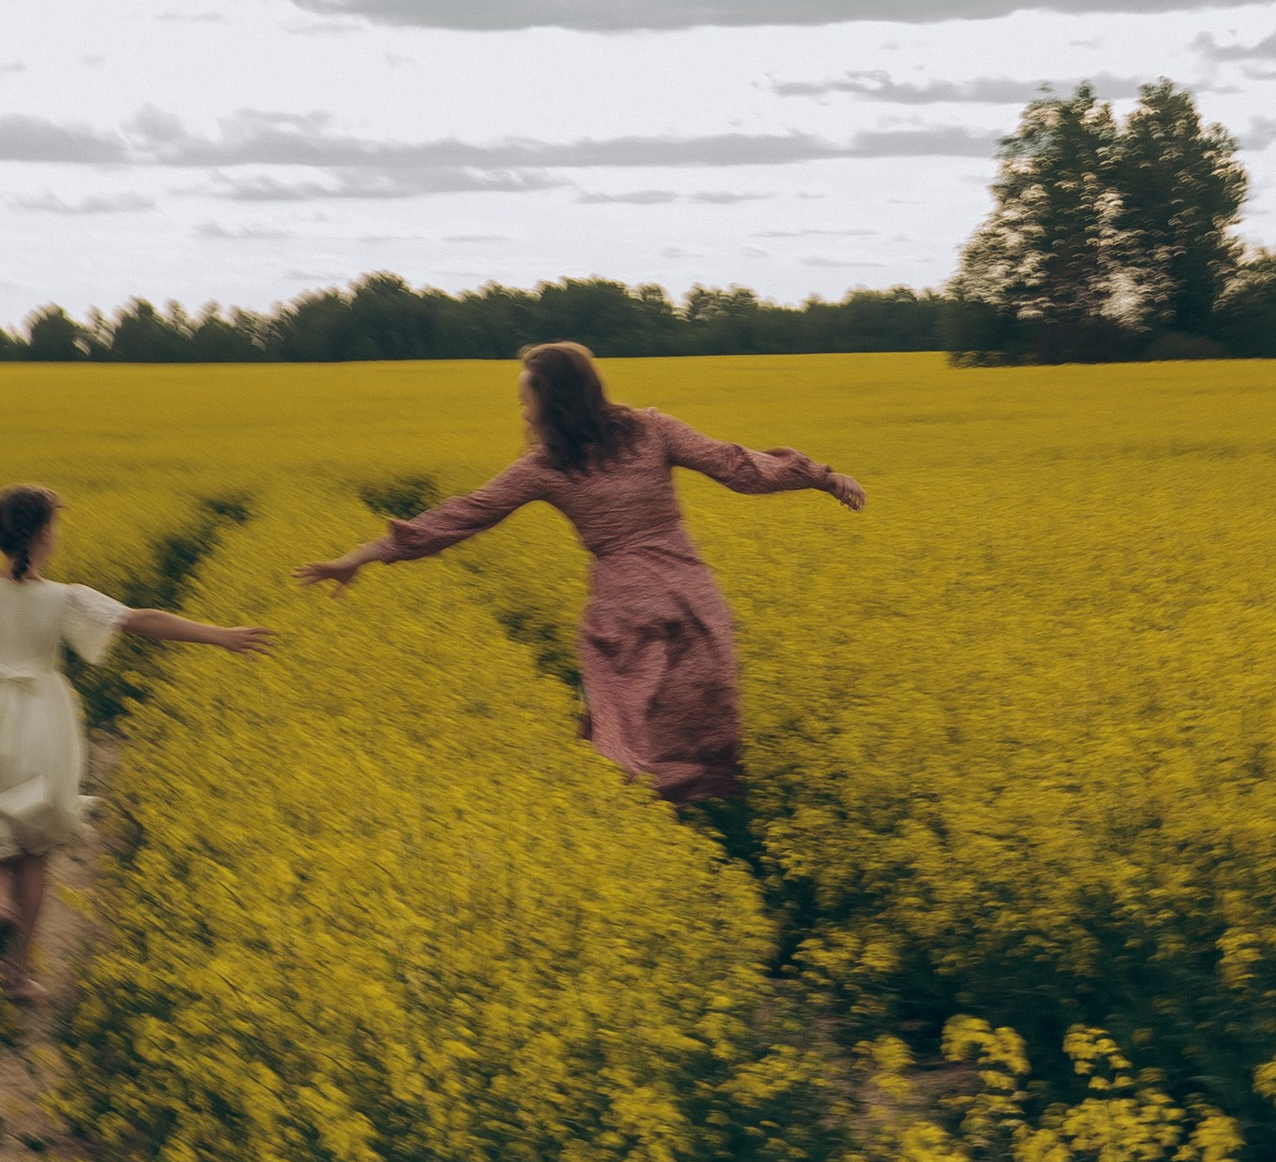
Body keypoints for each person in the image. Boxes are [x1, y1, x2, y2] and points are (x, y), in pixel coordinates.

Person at [300, 342, 864, 811]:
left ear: (554, 402)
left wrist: (366, 554)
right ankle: (683, 835)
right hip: (692, 602)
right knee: (691, 730)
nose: (525, 415)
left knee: (620, 738)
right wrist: (822, 476)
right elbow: (737, 466)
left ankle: (633, 837)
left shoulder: (546, 467)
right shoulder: (653, 429)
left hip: (626, 614)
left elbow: (464, 515)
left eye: (527, 403)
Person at [0, 480, 271, 1001]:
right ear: (43, 535)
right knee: (34, 849)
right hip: (40, 723)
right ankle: (17, 972)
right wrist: (219, 635)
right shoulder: (64, 598)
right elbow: (140, 620)